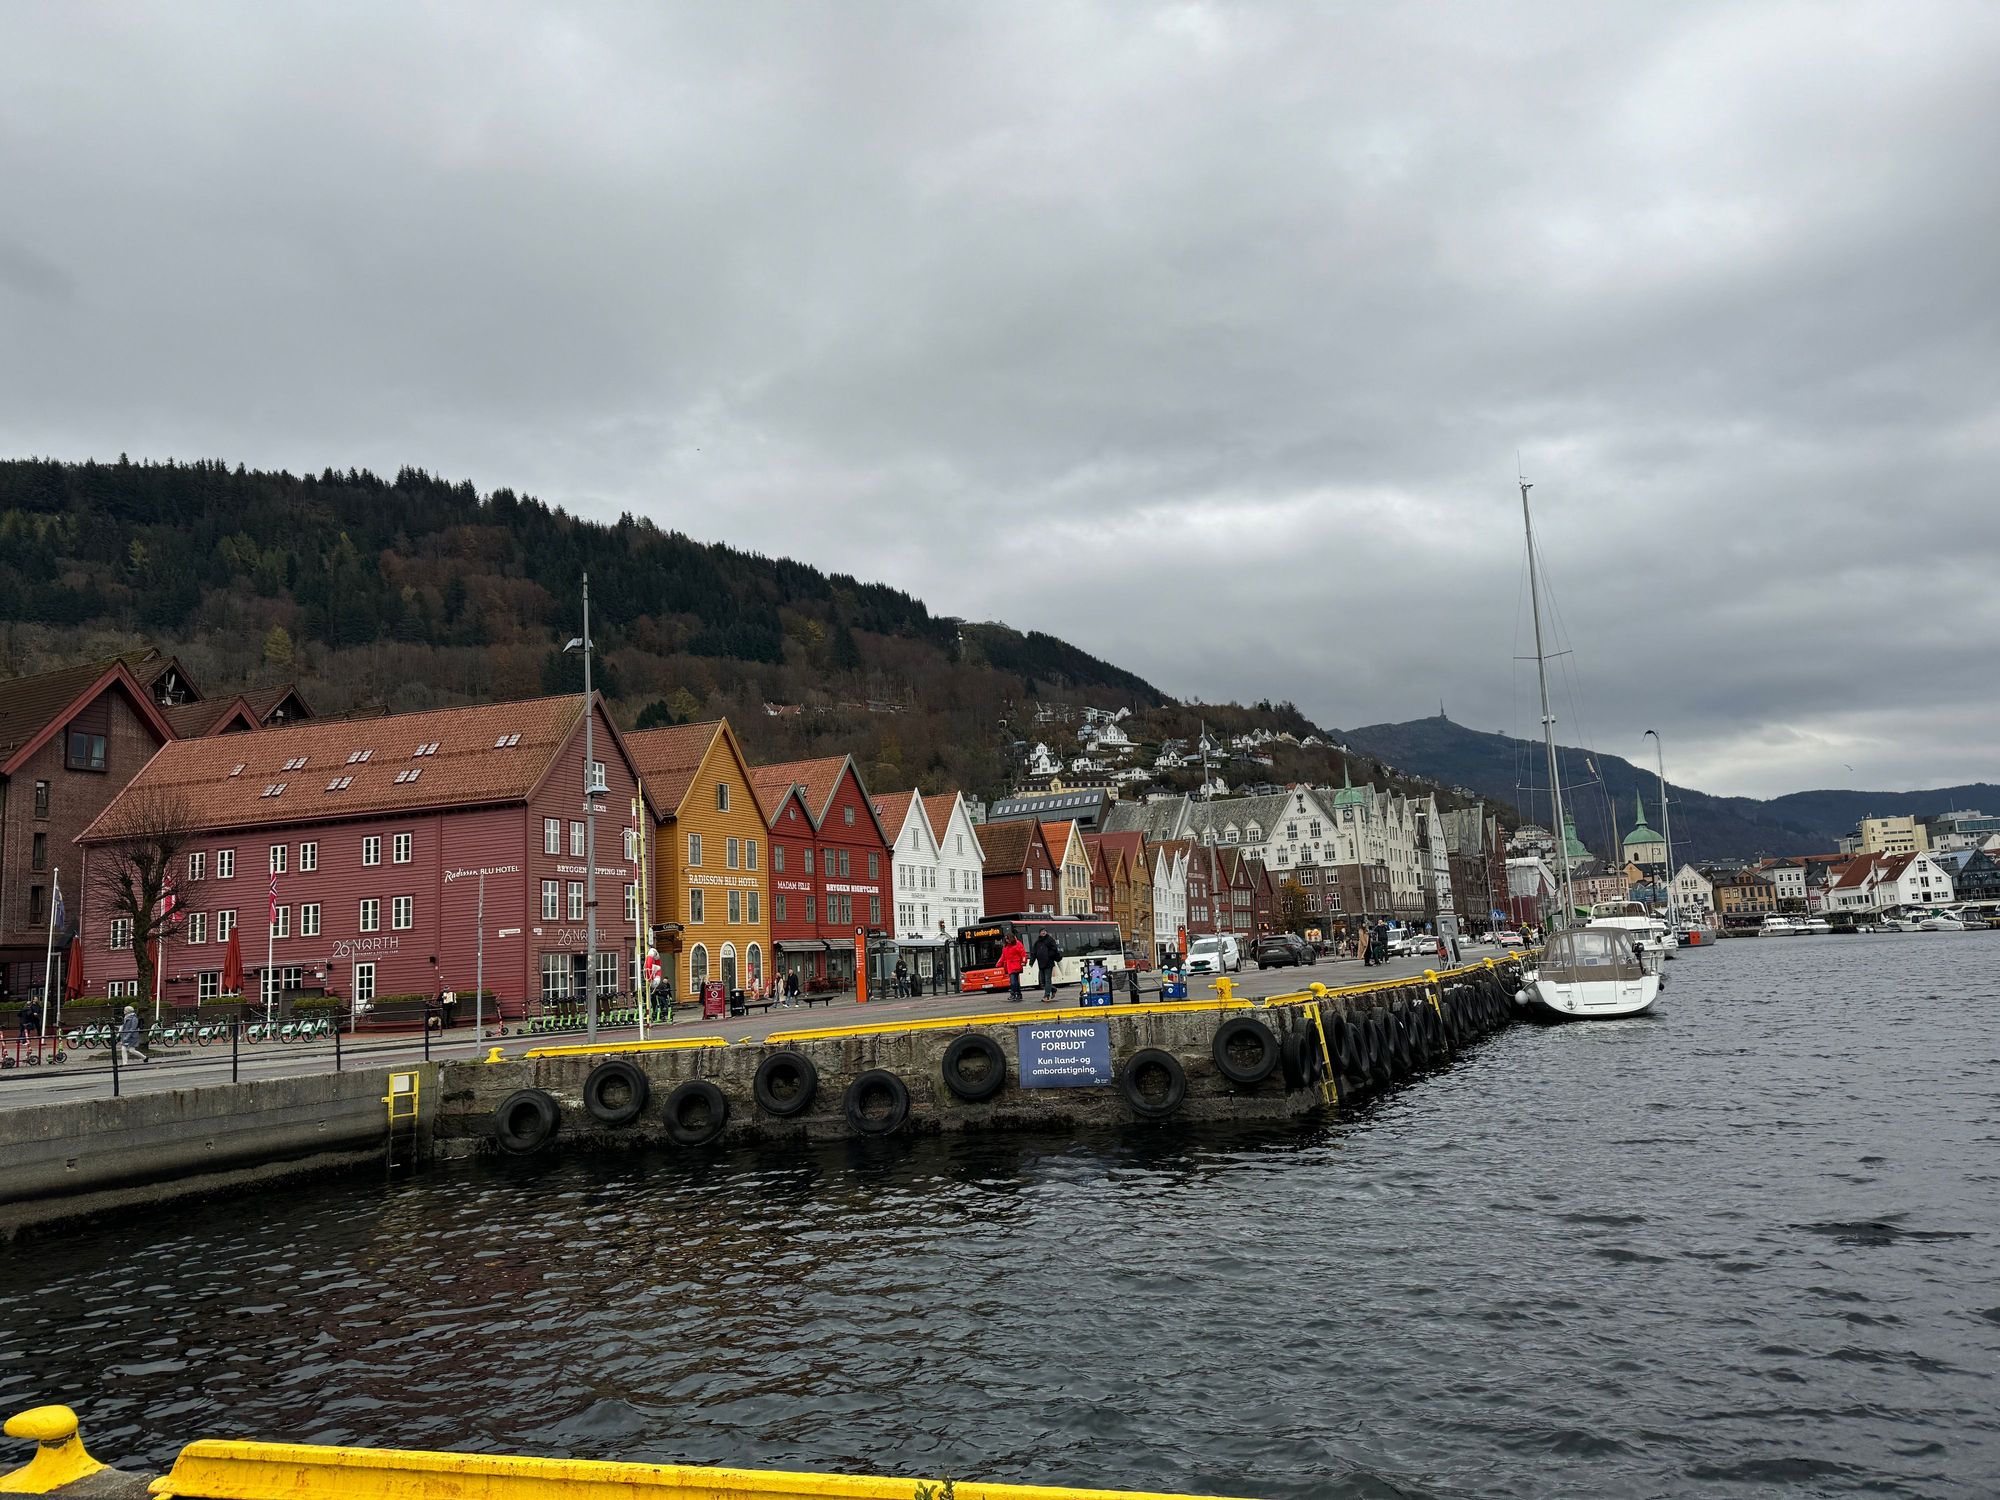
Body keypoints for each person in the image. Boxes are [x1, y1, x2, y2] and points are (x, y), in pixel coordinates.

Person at [1031, 929, 1060, 999]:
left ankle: (1047, 995)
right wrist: (1031, 962)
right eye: (1042, 931)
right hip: (1041, 963)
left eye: (1044, 931)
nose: (1043, 932)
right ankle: (1053, 989)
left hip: (1049, 963)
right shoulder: (1037, 942)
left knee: (1047, 980)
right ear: (1039, 933)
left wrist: (1048, 956)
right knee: (1043, 982)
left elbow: (1054, 950)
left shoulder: (1050, 940)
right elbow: (1034, 952)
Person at [999, 931, 1028, 1003]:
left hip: (1016, 965)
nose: (1007, 940)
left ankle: (1013, 993)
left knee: (1013, 981)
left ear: (1011, 938)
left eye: (1008, 939)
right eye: (1006, 939)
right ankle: (1018, 994)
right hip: (1010, 966)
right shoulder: (1005, 946)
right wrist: (999, 963)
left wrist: (1024, 962)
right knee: (1015, 981)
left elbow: (1023, 954)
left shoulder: (1018, 944)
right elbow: (1003, 956)